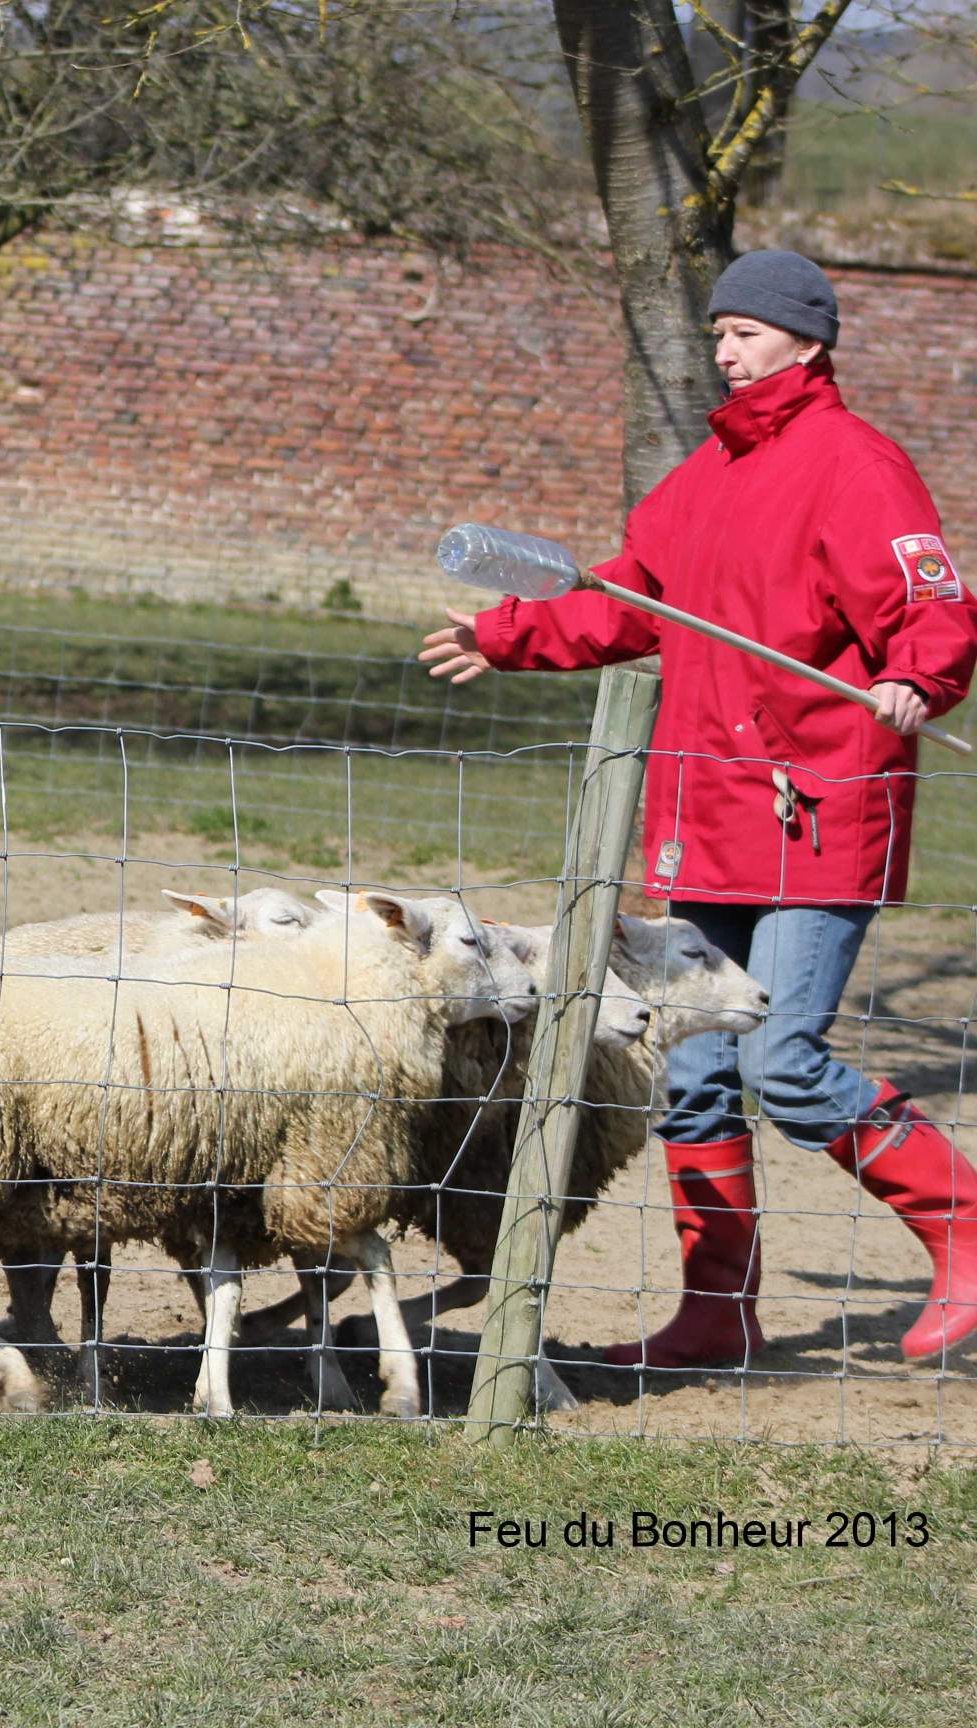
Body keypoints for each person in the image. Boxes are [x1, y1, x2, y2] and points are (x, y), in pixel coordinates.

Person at [419, 250, 977, 1369]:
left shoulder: (858, 467)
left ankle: (963, 1228)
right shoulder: (704, 476)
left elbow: (932, 601)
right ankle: (718, 1314)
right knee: (694, 1070)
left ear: (808, 342)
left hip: (821, 810)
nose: (726, 353)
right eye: (719, 333)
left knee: (783, 1060)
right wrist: (506, 633)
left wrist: (921, 674)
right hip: (704, 811)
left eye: (748, 334)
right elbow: (625, 603)